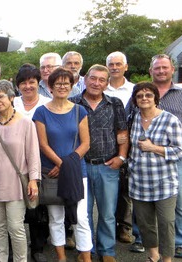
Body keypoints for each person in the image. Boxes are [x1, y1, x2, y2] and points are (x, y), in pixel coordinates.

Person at [125, 54, 182, 258]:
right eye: (157, 68)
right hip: (140, 173)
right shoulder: (135, 108)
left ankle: (179, 243)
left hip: (172, 163)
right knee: (143, 213)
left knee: (179, 206)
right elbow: (124, 129)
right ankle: (145, 242)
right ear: (151, 71)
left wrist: (181, 149)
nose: (161, 71)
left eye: (164, 68)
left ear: (171, 70)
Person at [0, 80, 41, 262]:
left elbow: (33, 154)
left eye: (1, 96)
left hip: (15, 185)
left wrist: (34, 180)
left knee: (16, 227)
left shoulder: (26, 123)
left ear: (12, 97)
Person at [32, 68, 92, 262]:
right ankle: (61, 257)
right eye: (58, 83)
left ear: (72, 85)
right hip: (52, 172)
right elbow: (42, 144)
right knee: (56, 217)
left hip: (76, 172)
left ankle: (86, 257)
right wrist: (61, 164)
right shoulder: (41, 112)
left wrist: (67, 165)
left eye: (66, 83)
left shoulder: (79, 110)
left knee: (81, 217)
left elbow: (86, 143)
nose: (62, 87)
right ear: (50, 87)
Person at [69, 65, 128, 262]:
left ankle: (107, 251)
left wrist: (121, 157)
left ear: (107, 83)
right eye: (93, 78)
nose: (96, 83)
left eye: (102, 80)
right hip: (81, 167)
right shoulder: (73, 103)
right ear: (85, 80)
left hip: (107, 166)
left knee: (108, 213)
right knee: (82, 213)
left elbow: (122, 133)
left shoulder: (115, 104)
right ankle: (86, 250)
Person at [128, 82, 182, 262]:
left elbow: (179, 151)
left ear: (155, 98)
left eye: (148, 95)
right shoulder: (133, 119)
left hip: (164, 182)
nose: (144, 98)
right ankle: (153, 255)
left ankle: (167, 258)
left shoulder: (169, 120)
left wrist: (154, 148)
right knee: (145, 224)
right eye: (139, 96)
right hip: (139, 182)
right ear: (135, 100)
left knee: (166, 222)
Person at [13, 64, 50, 262]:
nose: (28, 86)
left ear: (38, 83)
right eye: (23, 83)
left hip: (40, 161)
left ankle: (37, 248)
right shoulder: (12, 103)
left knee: (37, 207)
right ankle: (15, 249)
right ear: (18, 86)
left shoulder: (47, 103)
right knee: (15, 207)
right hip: (15, 164)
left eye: (32, 82)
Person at [104, 51, 136, 244]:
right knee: (104, 188)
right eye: (111, 64)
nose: (114, 67)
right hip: (104, 144)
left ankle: (123, 227)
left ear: (126, 66)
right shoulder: (99, 88)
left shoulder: (134, 90)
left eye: (118, 64)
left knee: (124, 188)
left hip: (127, 143)